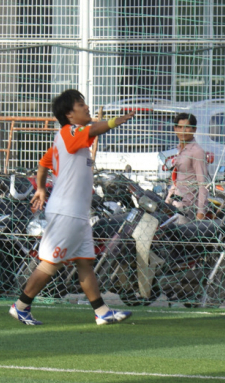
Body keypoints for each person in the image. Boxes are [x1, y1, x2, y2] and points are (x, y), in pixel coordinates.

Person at [9, 89, 136, 326]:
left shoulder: (71, 139)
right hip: (66, 211)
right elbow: (94, 129)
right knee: (51, 263)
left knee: (84, 262)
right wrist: (113, 121)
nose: (86, 107)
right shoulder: (70, 132)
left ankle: (102, 312)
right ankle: (20, 306)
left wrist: (40, 187)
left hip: (77, 214)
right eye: (81, 105)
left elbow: (43, 162)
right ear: (69, 115)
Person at [165, 113, 209, 220]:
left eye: (187, 127)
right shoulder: (180, 150)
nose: (183, 131)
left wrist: (201, 212)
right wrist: (168, 201)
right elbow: (178, 180)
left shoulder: (197, 152)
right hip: (176, 205)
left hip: (188, 209)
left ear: (194, 129)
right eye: (179, 127)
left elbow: (203, 184)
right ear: (175, 128)